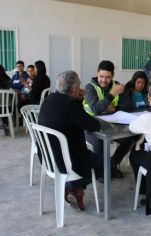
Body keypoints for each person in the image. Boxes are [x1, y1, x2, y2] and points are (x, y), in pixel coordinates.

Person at [38, 70, 103, 211]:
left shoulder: (49, 99)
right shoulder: (70, 105)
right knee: (105, 163)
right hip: (66, 161)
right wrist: (79, 101)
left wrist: (76, 100)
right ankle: (75, 188)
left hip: (48, 157)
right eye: (79, 86)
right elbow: (93, 125)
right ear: (74, 90)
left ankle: (75, 188)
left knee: (91, 157)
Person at [83, 60, 134, 178]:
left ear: (113, 76)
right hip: (90, 126)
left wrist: (115, 108)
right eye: (101, 76)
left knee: (128, 140)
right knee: (100, 142)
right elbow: (96, 108)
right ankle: (100, 170)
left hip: (111, 125)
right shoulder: (89, 88)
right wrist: (112, 94)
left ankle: (112, 164)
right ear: (97, 73)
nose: (104, 80)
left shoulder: (117, 86)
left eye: (107, 77)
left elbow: (129, 105)